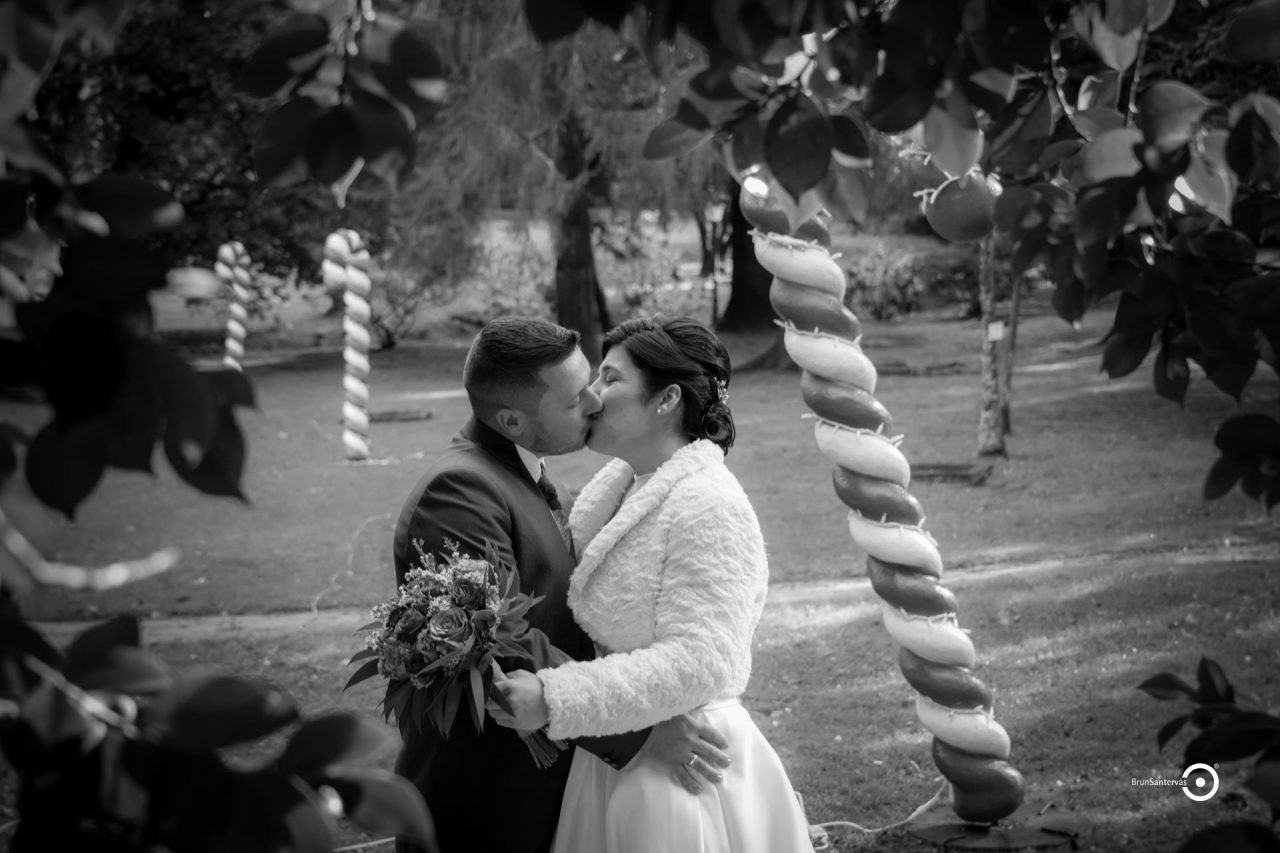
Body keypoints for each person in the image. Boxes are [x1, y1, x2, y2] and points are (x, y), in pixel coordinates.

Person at [390, 316, 732, 853]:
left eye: (596, 381)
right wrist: (640, 733)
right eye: (575, 400)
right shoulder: (459, 492)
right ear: (513, 421)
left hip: (548, 783)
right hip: (485, 799)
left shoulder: (519, 472)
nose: (595, 402)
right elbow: (500, 645)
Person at [490, 316, 815, 853]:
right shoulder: (616, 490)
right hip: (616, 755)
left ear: (665, 400)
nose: (590, 397)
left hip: (685, 771)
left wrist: (556, 695)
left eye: (610, 380)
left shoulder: (709, 502)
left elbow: (703, 658)